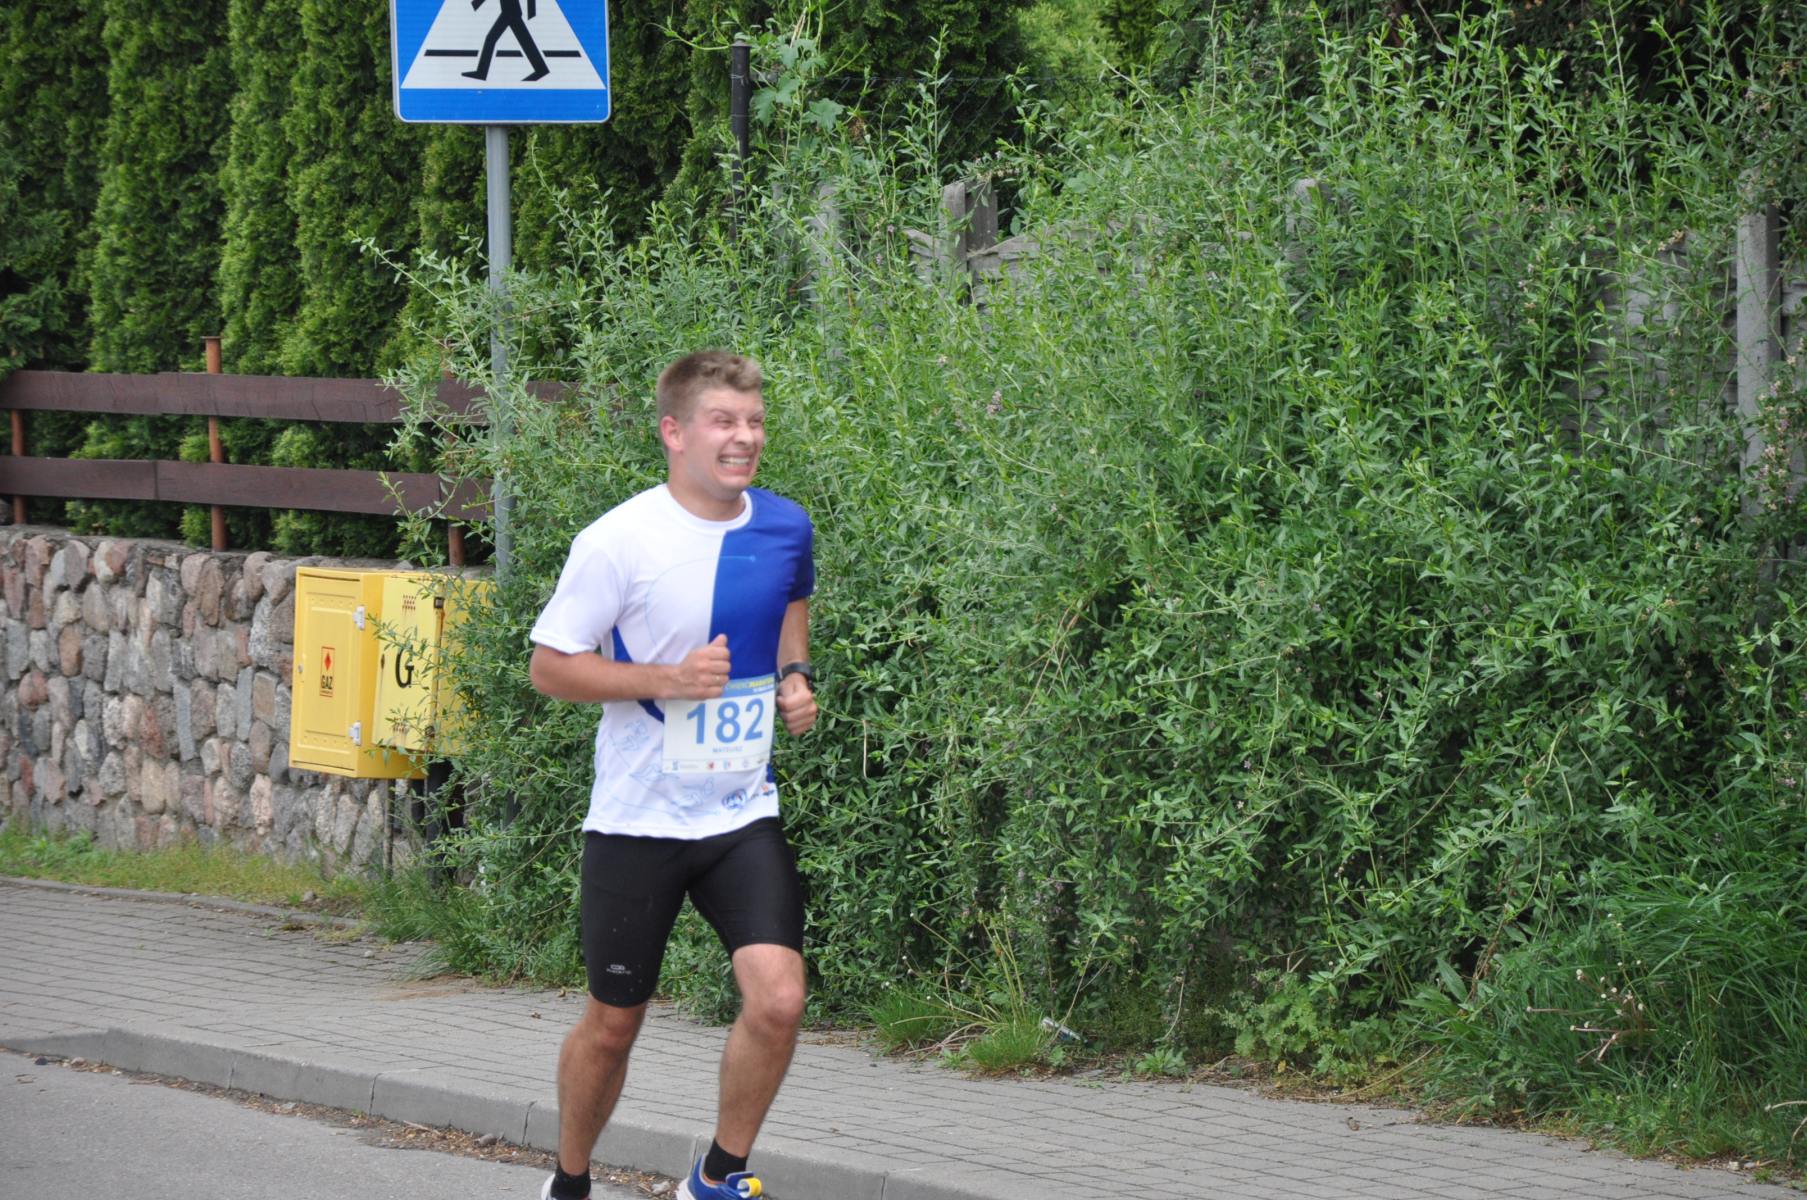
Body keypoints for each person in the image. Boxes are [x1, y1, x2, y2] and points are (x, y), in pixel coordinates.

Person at [528, 351, 819, 1200]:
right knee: (613, 1024)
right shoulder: (617, 541)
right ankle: (569, 1183)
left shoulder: (784, 525)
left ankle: (717, 1177)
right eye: (723, 421)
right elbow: (550, 667)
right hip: (637, 818)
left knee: (779, 998)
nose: (744, 438)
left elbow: (791, 603)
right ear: (674, 432)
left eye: (754, 422)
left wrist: (796, 676)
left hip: (738, 811)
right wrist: (668, 678)